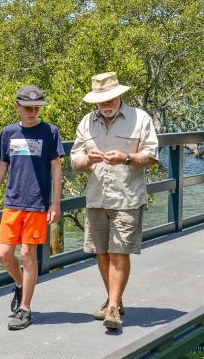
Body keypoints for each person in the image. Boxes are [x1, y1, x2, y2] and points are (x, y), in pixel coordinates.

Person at [70, 72, 159, 331]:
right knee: (102, 253)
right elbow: (75, 162)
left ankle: (112, 309)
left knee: (120, 251)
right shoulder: (86, 123)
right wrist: (88, 159)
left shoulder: (139, 118)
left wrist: (126, 158)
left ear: (119, 95)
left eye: (110, 99)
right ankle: (114, 300)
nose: (106, 104)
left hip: (127, 197)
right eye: (101, 100)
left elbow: (152, 156)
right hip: (97, 197)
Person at [0, 84, 64, 331]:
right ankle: (20, 284)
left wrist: (56, 202)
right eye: (28, 107)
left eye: (37, 107)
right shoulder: (8, 133)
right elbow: (1, 167)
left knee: (29, 255)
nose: (33, 112)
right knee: (4, 254)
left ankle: (25, 308)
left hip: (37, 204)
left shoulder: (50, 132)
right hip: (12, 202)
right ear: (17, 106)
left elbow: (56, 168)